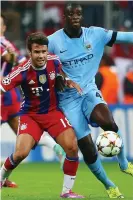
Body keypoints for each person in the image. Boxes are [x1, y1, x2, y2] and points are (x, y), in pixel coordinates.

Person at [48, 2, 133, 198]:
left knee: (108, 121)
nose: (75, 17)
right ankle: (109, 185)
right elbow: (41, 63)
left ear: (82, 16)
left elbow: (125, 38)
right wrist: (57, 78)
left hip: (89, 91)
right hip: (68, 101)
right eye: (71, 14)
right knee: (87, 147)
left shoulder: (96, 34)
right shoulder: (53, 41)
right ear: (64, 17)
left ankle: (123, 163)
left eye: (78, 13)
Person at [0, 32, 84, 198]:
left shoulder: (54, 61)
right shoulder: (21, 71)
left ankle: (67, 191)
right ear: (29, 53)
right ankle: (2, 178)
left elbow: (61, 73)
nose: (41, 56)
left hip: (53, 112)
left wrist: (66, 80)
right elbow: (2, 87)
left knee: (72, 147)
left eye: (43, 51)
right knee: (21, 153)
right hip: (30, 115)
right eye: (37, 52)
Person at [0, 14, 65, 188]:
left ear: (4, 28)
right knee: (23, 141)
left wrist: (11, 58)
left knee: (23, 142)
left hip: (6, 96)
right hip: (9, 96)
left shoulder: (4, 44)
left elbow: (14, 60)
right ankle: (55, 146)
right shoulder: (8, 45)